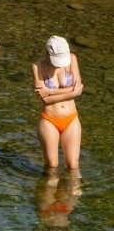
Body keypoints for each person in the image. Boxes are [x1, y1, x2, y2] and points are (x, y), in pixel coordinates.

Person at [32, 35, 83, 171]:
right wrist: (72, 92)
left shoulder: (72, 59)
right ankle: (48, 191)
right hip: (49, 120)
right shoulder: (38, 67)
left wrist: (50, 91)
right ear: (47, 54)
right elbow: (45, 100)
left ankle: (72, 192)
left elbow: (77, 88)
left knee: (73, 166)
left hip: (71, 118)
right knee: (52, 166)